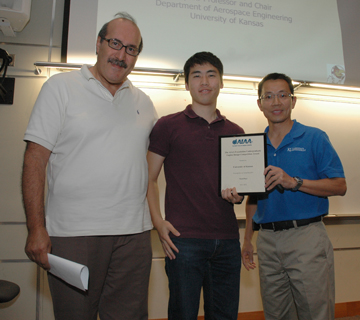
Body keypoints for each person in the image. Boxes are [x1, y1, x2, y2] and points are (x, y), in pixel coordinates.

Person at [22, 12, 157, 320]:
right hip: (73, 235)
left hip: (134, 236)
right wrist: (36, 228)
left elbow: (160, 165)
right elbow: (35, 159)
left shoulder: (145, 102)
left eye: (131, 49)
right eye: (115, 43)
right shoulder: (60, 88)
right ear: (98, 43)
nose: (121, 55)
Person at [241, 73, 347, 320]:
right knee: (276, 315)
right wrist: (247, 239)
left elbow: (340, 185)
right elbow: (253, 198)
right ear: (260, 104)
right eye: (268, 96)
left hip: (306, 237)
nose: (276, 102)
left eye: (282, 95)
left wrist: (295, 182)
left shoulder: (314, 138)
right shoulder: (254, 146)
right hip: (267, 240)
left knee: (315, 313)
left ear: (293, 100)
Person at [147, 51, 244, 320]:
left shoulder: (236, 132)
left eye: (211, 74)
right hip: (183, 240)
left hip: (227, 241)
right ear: (187, 83)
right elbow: (149, 178)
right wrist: (158, 221)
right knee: (183, 314)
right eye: (197, 75)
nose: (204, 81)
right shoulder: (167, 126)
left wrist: (238, 195)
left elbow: (240, 186)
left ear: (221, 82)